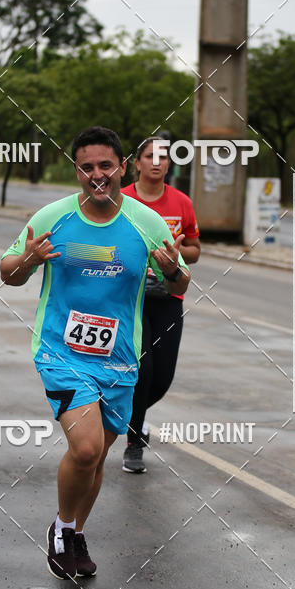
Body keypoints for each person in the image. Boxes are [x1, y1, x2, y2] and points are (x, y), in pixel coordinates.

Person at [0, 126, 190, 580]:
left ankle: (76, 532)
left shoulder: (147, 223)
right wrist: (28, 260)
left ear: (122, 167)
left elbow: (180, 281)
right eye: (87, 167)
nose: (97, 174)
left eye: (106, 165)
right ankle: (63, 529)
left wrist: (171, 272)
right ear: (76, 171)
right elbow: (8, 273)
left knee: (98, 455)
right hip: (61, 353)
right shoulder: (53, 217)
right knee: (84, 450)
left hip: (120, 359)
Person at [121, 136, 200, 473]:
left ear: (170, 164)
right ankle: (134, 441)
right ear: (137, 162)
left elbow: (195, 250)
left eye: (163, 157)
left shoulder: (182, 202)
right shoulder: (122, 199)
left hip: (168, 298)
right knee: (143, 370)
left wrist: (176, 255)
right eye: (150, 155)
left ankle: (126, 415)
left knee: (162, 377)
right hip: (131, 299)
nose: (157, 162)